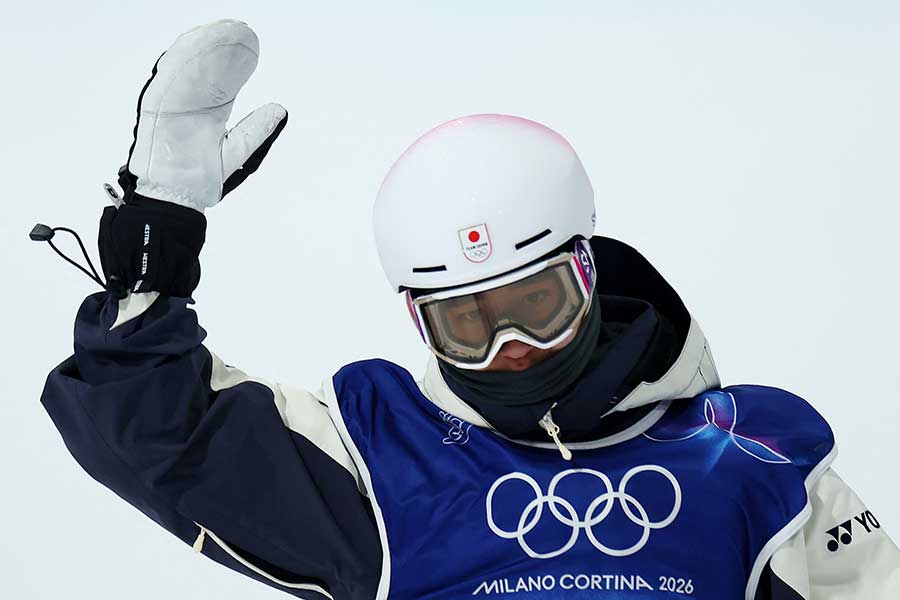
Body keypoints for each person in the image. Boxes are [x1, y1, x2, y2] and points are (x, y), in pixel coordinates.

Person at [38, 19, 900, 600]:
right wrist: (155, 244)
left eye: (537, 305)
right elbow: (161, 434)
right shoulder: (378, 459)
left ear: (586, 274)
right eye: (468, 326)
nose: (511, 347)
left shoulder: (749, 457)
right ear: (421, 321)